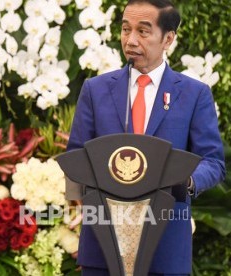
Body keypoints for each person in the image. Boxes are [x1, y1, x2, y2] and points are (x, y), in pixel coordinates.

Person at [66, 0, 225, 275]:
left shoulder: (193, 94)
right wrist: (80, 195)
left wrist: (186, 181)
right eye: (126, 29)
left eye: (143, 31)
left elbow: (213, 162)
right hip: (103, 245)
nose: (130, 40)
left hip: (165, 244)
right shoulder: (95, 89)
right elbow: (75, 156)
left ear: (168, 38)